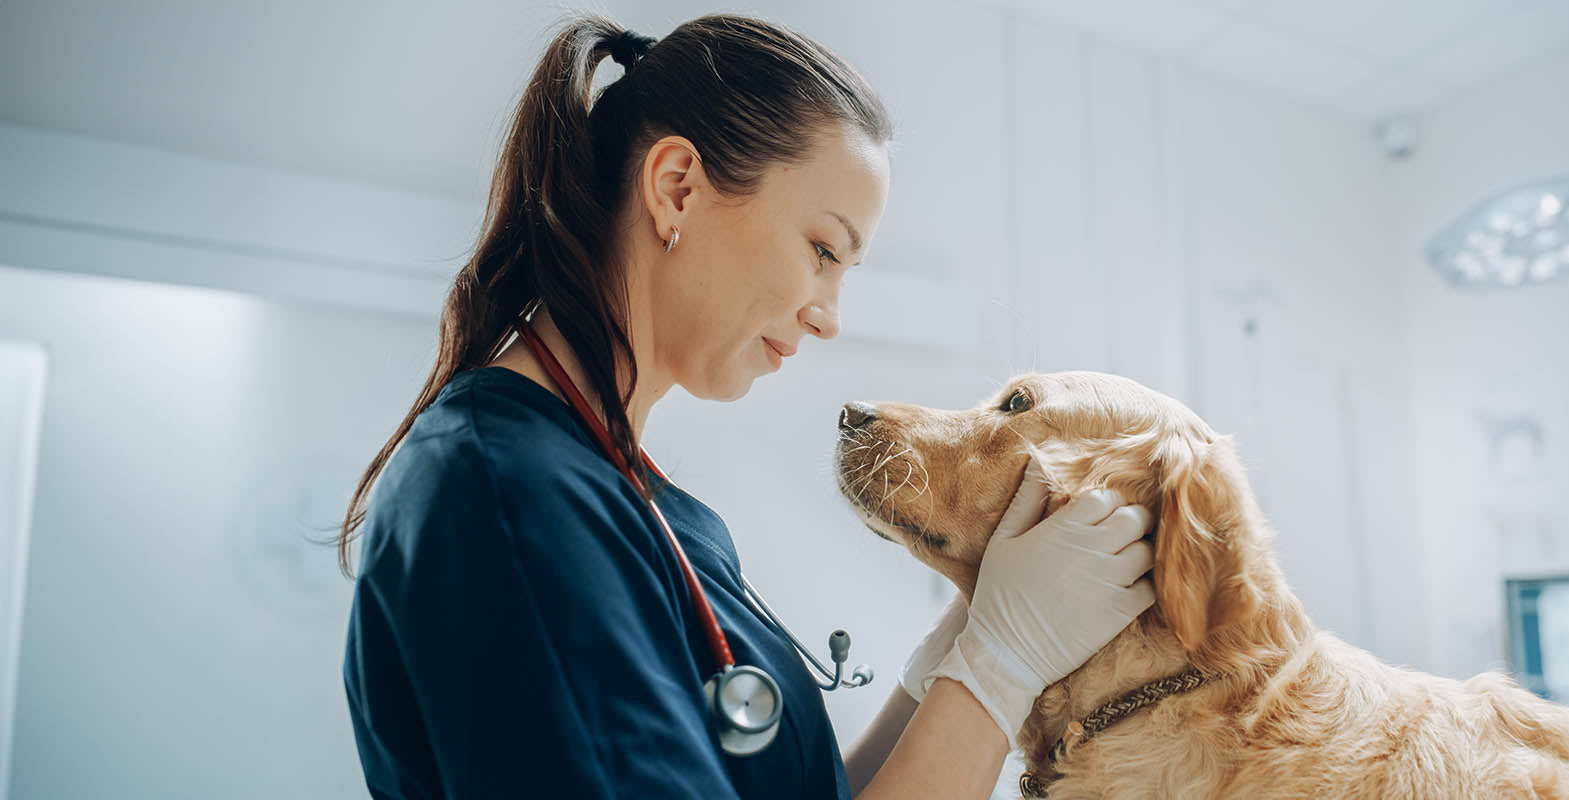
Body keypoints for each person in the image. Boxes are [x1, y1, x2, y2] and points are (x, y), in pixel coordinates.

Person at [335, 13, 1155, 799]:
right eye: (823, 250)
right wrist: (1001, 667)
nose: (829, 316)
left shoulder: (644, 503)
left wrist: (951, 662)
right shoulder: (509, 495)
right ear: (677, 189)